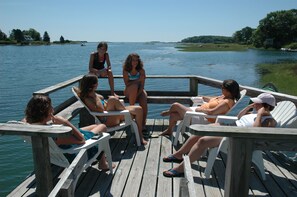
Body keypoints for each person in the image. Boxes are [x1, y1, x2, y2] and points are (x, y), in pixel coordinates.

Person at [163, 93, 277, 177]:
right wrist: (248, 108)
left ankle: (180, 169)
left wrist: (260, 114)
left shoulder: (269, 120)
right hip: (231, 127)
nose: (255, 104)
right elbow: (238, 118)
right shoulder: (254, 113)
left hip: (238, 136)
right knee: (201, 131)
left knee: (203, 141)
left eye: (257, 103)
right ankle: (178, 155)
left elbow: (255, 132)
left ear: (265, 106)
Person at [23, 94, 114, 171]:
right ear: (44, 112)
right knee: (102, 127)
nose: (53, 110)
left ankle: (101, 160)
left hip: (59, 150)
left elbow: (24, 120)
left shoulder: (31, 126)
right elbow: (81, 140)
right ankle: (102, 163)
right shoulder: (54, 134)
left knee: (94, 127)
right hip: (75, 154)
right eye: (50, 107)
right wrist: (65, 122)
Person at [76, 74, 148, 145]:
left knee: (139, 109)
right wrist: (96, 97)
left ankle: (140, 136)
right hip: (107, 120)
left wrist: (112, 101)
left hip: (112, 114)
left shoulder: (93, 94)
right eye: (97, 82)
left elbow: (105, 106)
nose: (98, 84)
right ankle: (128, 116)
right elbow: (101, 110)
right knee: (112, 99)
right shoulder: (88, 98)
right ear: (92, 85)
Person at [160, 79, 240, 136]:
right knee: (173, 115)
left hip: (202, 118)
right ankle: (169, 130)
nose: (221, 89)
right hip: (197, 112)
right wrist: (203, 97)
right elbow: (212, 99)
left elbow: (212, 112)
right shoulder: (224, 96)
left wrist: (200, 109)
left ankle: (167, 112)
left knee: (176, 105)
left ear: (229, 91)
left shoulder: (226, 103)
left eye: (222, 88)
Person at [123, 53, 148, 131]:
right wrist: (138, 80)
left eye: (137, 60)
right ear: (129, 61)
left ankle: (143, 123)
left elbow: (142, 85)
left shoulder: (141, 71)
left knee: (143, 100)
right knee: (134, 87)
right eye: (133, 60)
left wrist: (138, 94)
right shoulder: (126, 70)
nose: (135, 62)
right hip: (128, 91)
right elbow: (127, 84)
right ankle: (131, 118)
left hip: (139, 90)